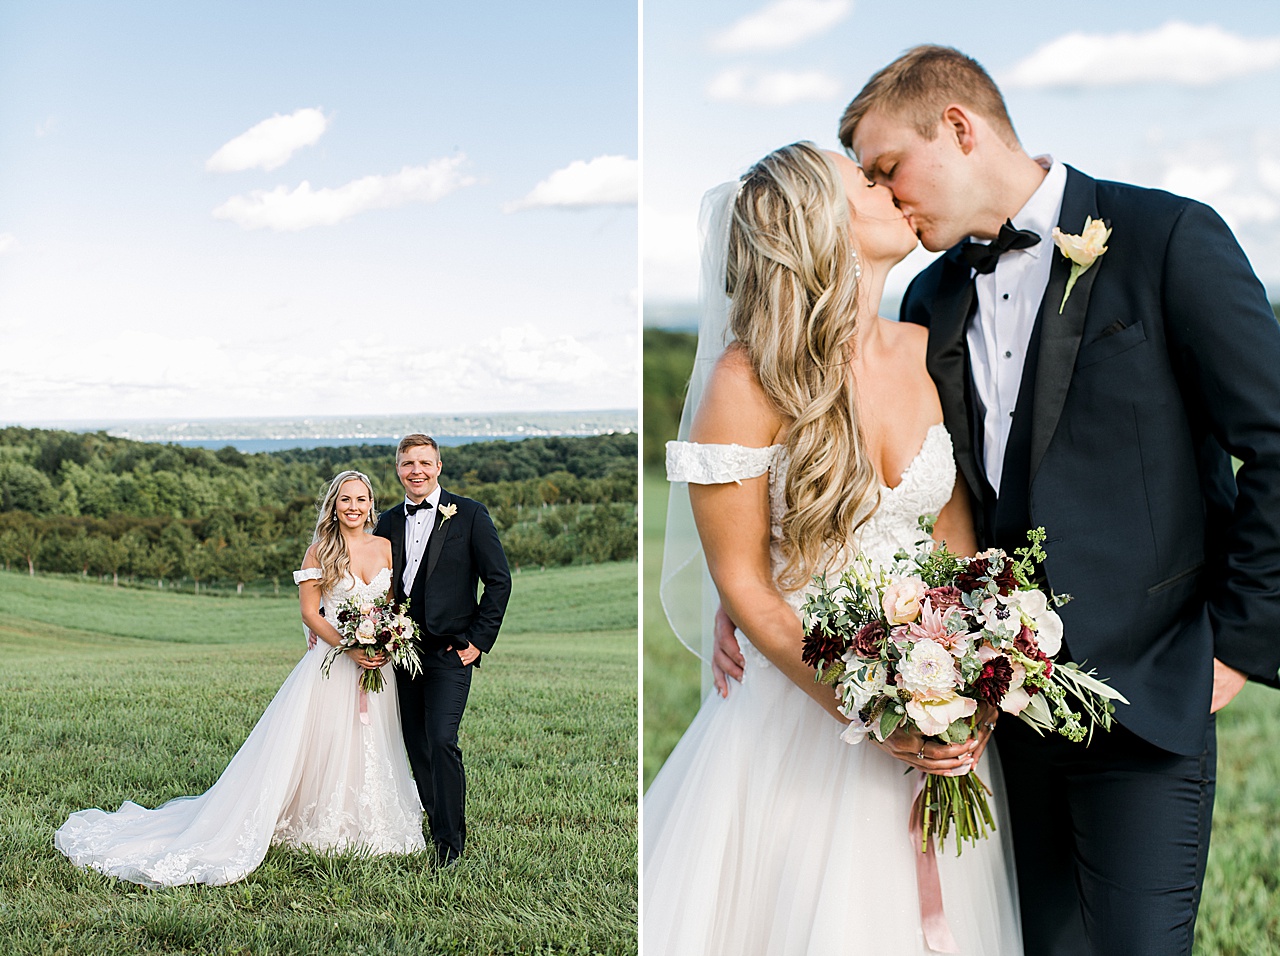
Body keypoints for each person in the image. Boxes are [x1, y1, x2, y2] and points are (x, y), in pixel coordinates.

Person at [646, 141, 1022, 955]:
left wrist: (967, 682)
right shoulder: (745, 381)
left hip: (934, 695)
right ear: (821, 219)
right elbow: (744, 585)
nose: (886, 184)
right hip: (801, 711)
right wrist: (873, 713)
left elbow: (954, 543)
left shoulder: (927, 353)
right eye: (864, 177)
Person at [54, 470, 427, 886]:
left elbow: (392, 603)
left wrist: (381, 640)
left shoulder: (386, 547)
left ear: (371, 504)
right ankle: (317, 819)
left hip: (377, 664)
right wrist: (348, 646)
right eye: (345, 500)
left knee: (372, 739)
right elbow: (309, 612)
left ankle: (371, 819)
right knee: (325, 741)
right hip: (334, 662)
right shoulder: (319, 551)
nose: (353, 507)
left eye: (360, 499)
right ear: (333, 506)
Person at [373, 434, 510, 866]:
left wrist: (478, 640)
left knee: (442, 739)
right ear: (398, 469)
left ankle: (451, 844)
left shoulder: (468, 514)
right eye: (407, 463)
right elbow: (374, 582)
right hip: (401, 651)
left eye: (424, 462)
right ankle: (435, 825)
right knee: (416, 743)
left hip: (451, 652)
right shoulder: (389, 521)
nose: (416, 471)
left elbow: (499, 580)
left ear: (439, 466)